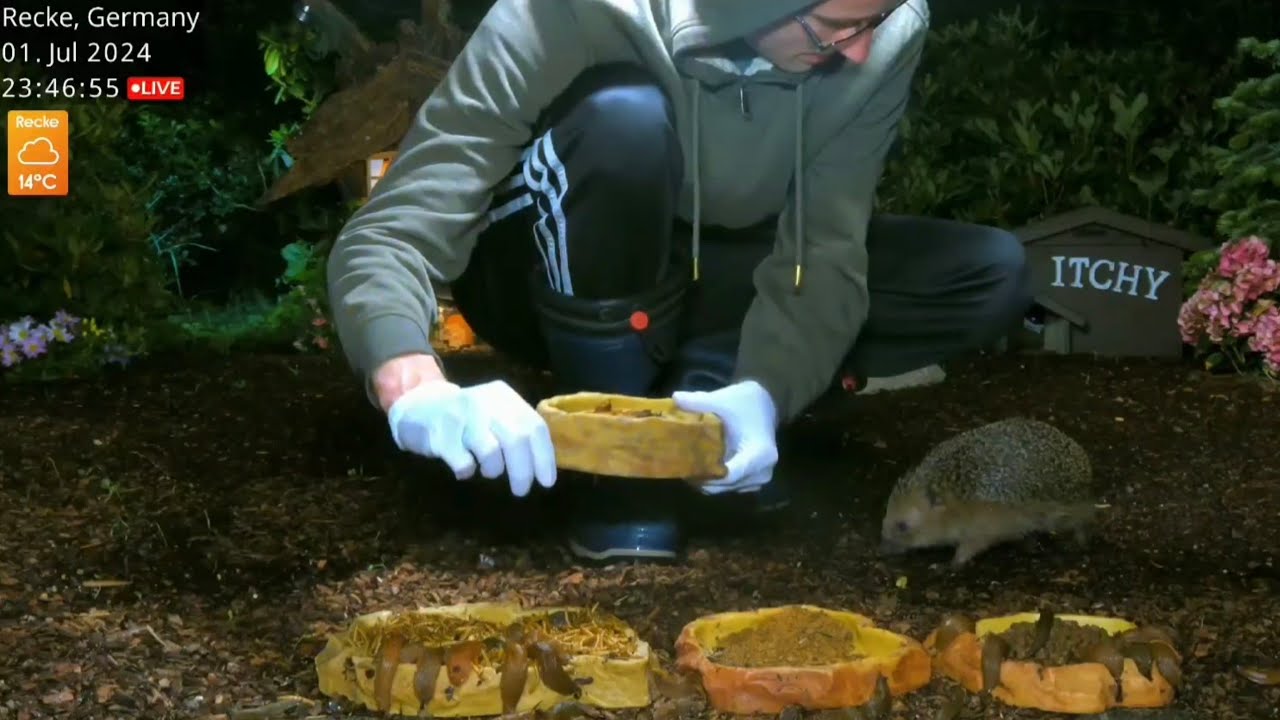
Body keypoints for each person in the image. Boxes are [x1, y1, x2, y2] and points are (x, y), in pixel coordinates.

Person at [325, 0, 1031, 562]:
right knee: (622, 119)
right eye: (838, 27)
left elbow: (826, 249)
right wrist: (413, 385)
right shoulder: (564, 9)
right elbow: (395, 226)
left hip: (698, 272)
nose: (859, 52)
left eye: (872, 21)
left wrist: (766, 390)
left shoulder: (886, 27)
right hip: (544, 256)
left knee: (986, 273)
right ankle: (615, 483)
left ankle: (706, 388)